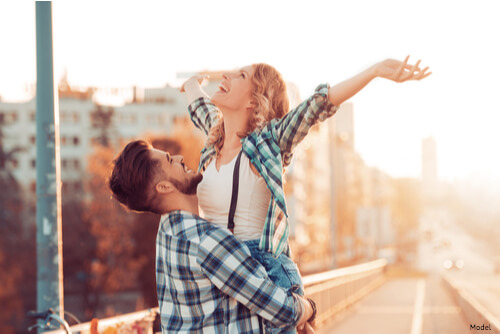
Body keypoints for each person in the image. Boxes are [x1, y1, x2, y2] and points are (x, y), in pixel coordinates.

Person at [181, 56, 431, 333]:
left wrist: (375, 71)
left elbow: (318, 105)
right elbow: (200, 106)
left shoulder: (269, 142)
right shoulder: (213, 142)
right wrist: (193, 84)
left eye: (241, 76)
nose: (227, 75)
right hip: (220, 272)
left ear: (254, 100)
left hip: (262, 274)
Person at [108, 139, 316, 334]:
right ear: (164, 187)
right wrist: (309, 308)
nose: (180, 158)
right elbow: (282, 310)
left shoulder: (167, 233)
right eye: (170, 160)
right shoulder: (205, 241)